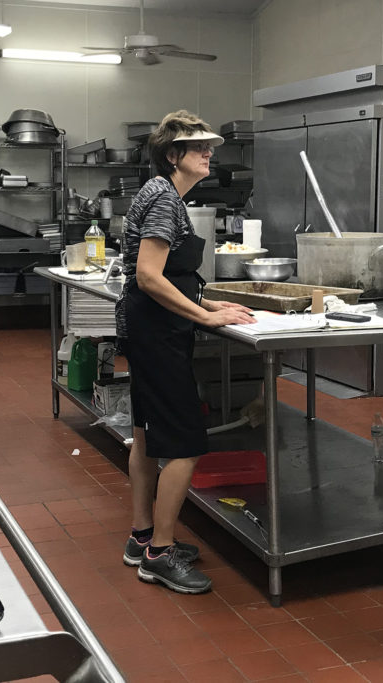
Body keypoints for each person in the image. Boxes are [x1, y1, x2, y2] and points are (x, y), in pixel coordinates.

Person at [115, 110, 254, 593]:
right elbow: (148, 276)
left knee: (147, 436)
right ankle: (159, 553)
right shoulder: (162, 198)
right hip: (157, 333)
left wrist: (206, 300)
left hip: (148, 327)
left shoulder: (165, 195)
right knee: (186, 444)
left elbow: (167, 274)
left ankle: (141, 536)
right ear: (174, 156)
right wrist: (206, 317)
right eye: (199, 149)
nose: (209, 154)